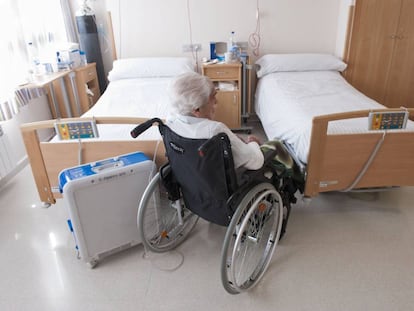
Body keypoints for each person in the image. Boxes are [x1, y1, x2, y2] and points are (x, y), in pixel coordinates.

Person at [167, 72, 264, 170]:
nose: (216, 101)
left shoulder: (169, 124)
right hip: (217, 181)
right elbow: (255, 162)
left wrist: (232, 139)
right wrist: (253, 142)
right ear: (196, 109)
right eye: (213, 97)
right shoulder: (215, 130)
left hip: (189, 177)